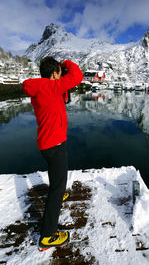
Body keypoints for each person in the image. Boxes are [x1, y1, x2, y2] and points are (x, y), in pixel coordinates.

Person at [22, 56, 83, 251]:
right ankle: (47, 236)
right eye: (58, 72)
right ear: (54, 73)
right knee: (57, 190)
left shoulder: (43, 89)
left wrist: (59, 74)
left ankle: (58, 191)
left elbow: (62, 96)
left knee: (57, 180)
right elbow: (77, 75)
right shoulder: (50, 87)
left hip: (48, 143)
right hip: (54, 145)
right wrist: (65, 63)